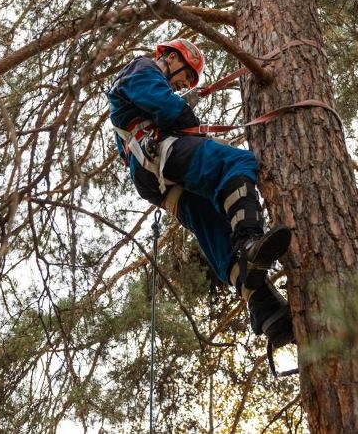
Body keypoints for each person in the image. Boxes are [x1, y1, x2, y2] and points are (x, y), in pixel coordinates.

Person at [107, 38, 294, 348]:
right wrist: (185, 116)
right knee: (236, 162)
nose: (184, 83)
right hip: (160, 157)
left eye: (190, 81)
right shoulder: (142, 68)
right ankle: (249, 240)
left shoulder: (135, 93)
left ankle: (267, 311)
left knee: (214, 228)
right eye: (186, 75)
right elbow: (167, 107)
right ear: (171, 57)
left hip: (154, 176)